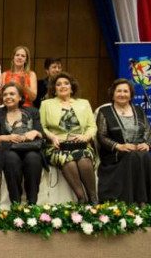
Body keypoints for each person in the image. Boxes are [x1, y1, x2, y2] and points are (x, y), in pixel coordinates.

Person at [96, 78, 151, 203]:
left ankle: (148, 201)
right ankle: (131, 200)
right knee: (132, 157)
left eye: (125, 91)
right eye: (119, 91)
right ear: (113, 93)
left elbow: (149, 131)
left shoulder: (139, 110)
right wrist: (118, 146)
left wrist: (147, 144)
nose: (122, 94)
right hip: (115, 155)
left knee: (145, 156)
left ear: (131, 95)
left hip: (138, 152)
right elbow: (102, 136)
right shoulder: (104, 112)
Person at [39, 72, 98, 203]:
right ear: (54, 89)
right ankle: (81, 198)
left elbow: (92, 126)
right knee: (68, 160)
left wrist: (85, 137)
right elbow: (41, 126)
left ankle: (93, 199)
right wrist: (51, 136)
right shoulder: (46, 104)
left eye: (66, 83)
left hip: (81, 144)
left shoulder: (84, 103)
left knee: (84, 158)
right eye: (58, 84)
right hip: (57, 146)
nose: (62, 86)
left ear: (72, 87)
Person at [0, 83, 45, 204]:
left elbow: (41, 134)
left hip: (30, 147)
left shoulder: (33, 112)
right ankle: (16, 204)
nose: (8, 97)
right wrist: (8, 137)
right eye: (5, 95)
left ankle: (32, 203)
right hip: (8, 149)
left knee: (33, 158)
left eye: (12, 94)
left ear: (20, 97)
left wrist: (34, 132)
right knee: (11, 159)